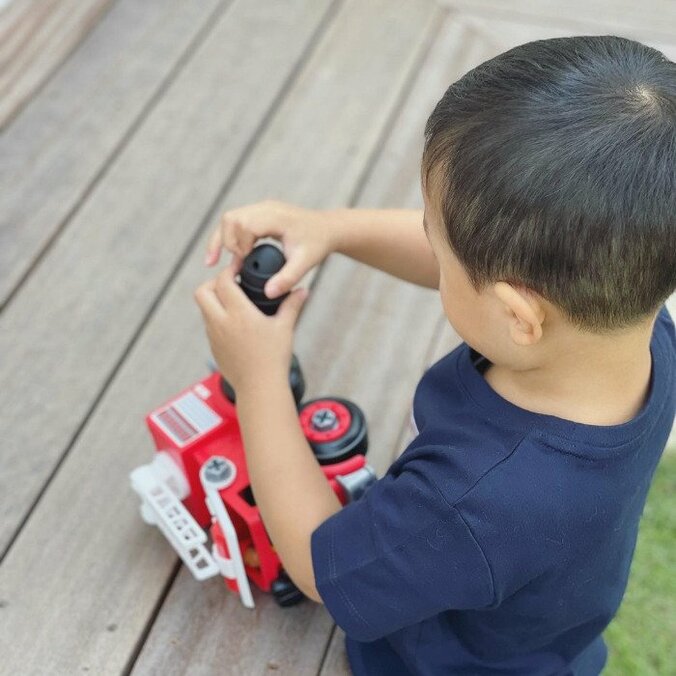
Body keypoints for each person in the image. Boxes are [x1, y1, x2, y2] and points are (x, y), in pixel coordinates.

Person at [194, 35, 676, 675]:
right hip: (545, 632)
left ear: (518, 317)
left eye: (435, 242)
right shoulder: (633, 324)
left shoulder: (473, 500)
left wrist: (257, 379)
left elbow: (315, 566)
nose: (428, 245)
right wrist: (333, 228)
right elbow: (483, 265)